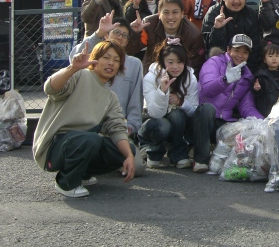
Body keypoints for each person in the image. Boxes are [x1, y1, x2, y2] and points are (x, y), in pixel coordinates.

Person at [33, 40, 139, 198]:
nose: (111, 63)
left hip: (82, 142)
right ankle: (66, 183)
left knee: (126, 149)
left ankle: (82, 173)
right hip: (54, 146)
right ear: (95, 60)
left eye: (116, 60)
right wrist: (72, 68)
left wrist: (130, 156)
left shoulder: (110, 97)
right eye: (106, 57)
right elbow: (51, 88)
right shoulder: (80, 75)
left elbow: (117, 128)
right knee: (91, 139)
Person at [192, 34, 264, 173]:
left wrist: (262, 122)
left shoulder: (247, 75)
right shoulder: (214, 62)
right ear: (228, 49)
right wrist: (225, 80)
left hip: (224, 122)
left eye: (245, 52)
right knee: (207, 109)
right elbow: (207, 89)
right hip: (201, 120)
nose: (240, 55)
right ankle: (200, 160)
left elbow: (246, 106)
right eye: (237, 50)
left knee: (242, 129)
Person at [68, 12, 143, 137]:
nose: (120, 37)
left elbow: (136, 99)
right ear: (106, 35)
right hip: (89, 124)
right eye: (116, 32)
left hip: (118, 125)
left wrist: (131, 126)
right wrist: (98, 33)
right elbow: (73, 58)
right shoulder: (93, 57)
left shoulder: (134, 64)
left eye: (125, 35)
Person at [138, 38, 199, 169]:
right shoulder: (151, 78)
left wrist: (181, 102)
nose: (175, 67)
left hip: (178, 121)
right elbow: (154, 113)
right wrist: (162, 91)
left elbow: (194, 111)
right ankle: (152, 151)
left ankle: (178, 154)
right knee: (163, 124)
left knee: (177, 114)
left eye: (179, 62)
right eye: (170, 62)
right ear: (162, 62)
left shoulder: (190, 78)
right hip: (153, 120)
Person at [126, 0, 206, 77]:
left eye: (175, 12)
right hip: (152, 75)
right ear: (159, 14)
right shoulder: (148, 25)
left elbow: (195, 66)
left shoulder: (194, 35)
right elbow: (130, 51)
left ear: (182, 14)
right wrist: (135, 33)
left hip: (180, 78)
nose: (170, 17)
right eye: (166, 12)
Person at [202, 0, 261, 72]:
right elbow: (209, 49)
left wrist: (248, 76)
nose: (236, 1)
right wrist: (217, 30)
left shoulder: (251, 15)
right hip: (219, 70)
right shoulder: (213, 14)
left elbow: (255, 49)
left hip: (244, 67)